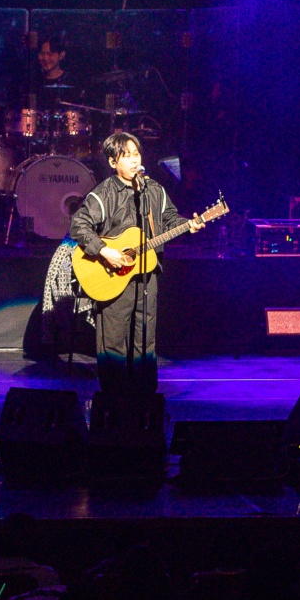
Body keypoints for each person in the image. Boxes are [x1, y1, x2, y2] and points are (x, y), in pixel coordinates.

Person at [69, 130, 182, 399]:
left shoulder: (154, 190)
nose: (134, 160)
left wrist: (190, 224)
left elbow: (171, 219)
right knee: (113, 341)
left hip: (146, 276)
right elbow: (79, 225)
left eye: (136, 154)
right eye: (126, 155)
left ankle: (145, 397)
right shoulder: (103, 193)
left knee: (146, 337)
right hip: (111, 275)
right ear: (112, 162)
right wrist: (105, 250)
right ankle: (114, 399)